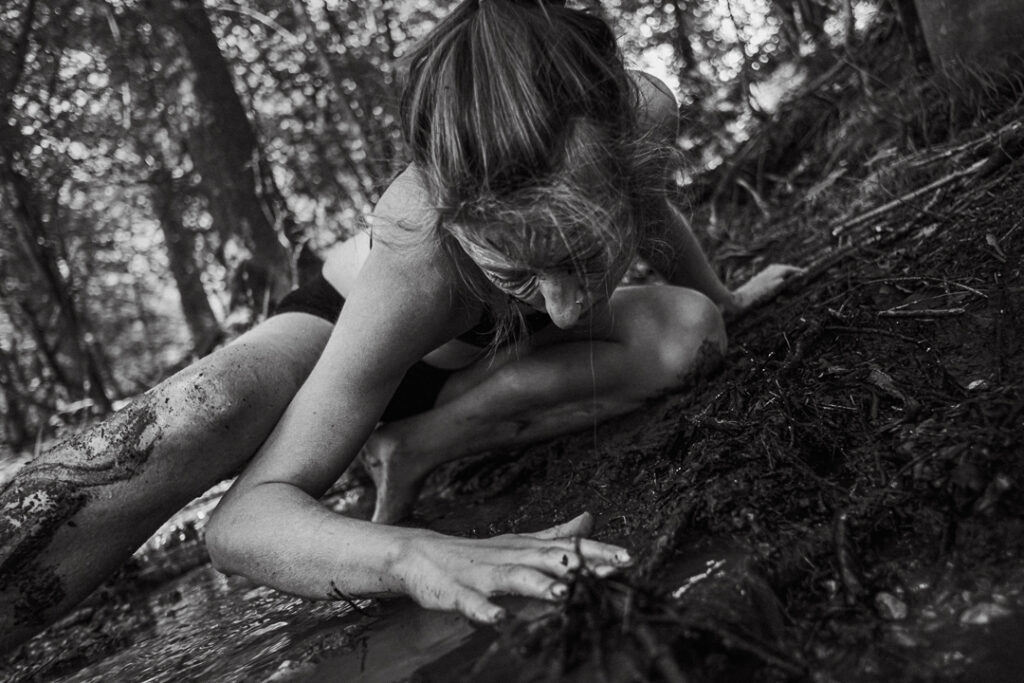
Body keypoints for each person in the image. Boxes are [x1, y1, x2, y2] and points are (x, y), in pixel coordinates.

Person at [0, 0, 801, 651]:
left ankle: (418, 443)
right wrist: (415, 555)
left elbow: (651, 211)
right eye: (517, 269)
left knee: (691, 335)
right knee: (194, 413)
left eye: (582, 253)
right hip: (344, 331)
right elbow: (240, 524)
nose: (567, 306)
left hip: (481, 359)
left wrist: (725, 298)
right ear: (454, 218)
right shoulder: (415, 246)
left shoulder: (640, 113)